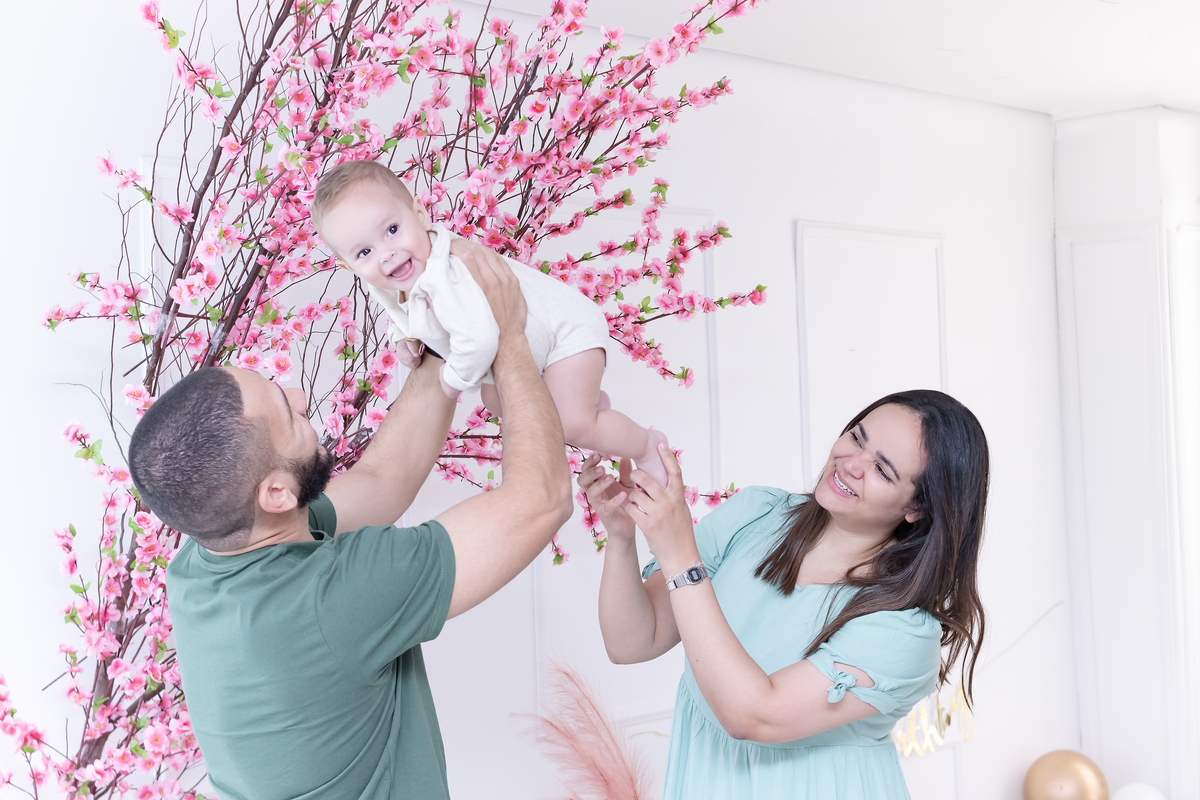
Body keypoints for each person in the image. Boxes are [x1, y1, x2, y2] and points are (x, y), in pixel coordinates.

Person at [128, 242, 573, 800]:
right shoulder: (330, 599)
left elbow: (381, 483)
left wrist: (447, 343)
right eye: (286, 411)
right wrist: (507, 338)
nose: (300, 396)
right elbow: (542, 498)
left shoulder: (208, 555)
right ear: (274, 493)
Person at [582, 390, 989, 799]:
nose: (850, 465)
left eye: (882, 470)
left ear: (918, 508)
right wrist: (621, 537)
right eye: (857, 438)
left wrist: (679, 558)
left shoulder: (902, 630)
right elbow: (632, 642)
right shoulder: (757, 515)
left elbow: (751, 716)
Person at [309, 159, 671, 486]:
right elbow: (397, 309)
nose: (386, 253)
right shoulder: (390, 279)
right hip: (535, 349)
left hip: (566, 331)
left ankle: (645, 446)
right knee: (496, 399)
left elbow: (479, 341)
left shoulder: (446, 273)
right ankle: (584, 398)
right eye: (364, 252)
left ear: (420, 215)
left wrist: (449, 383)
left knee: (573, 423)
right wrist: (402, 337)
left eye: (391, 229)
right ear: (348, 266)